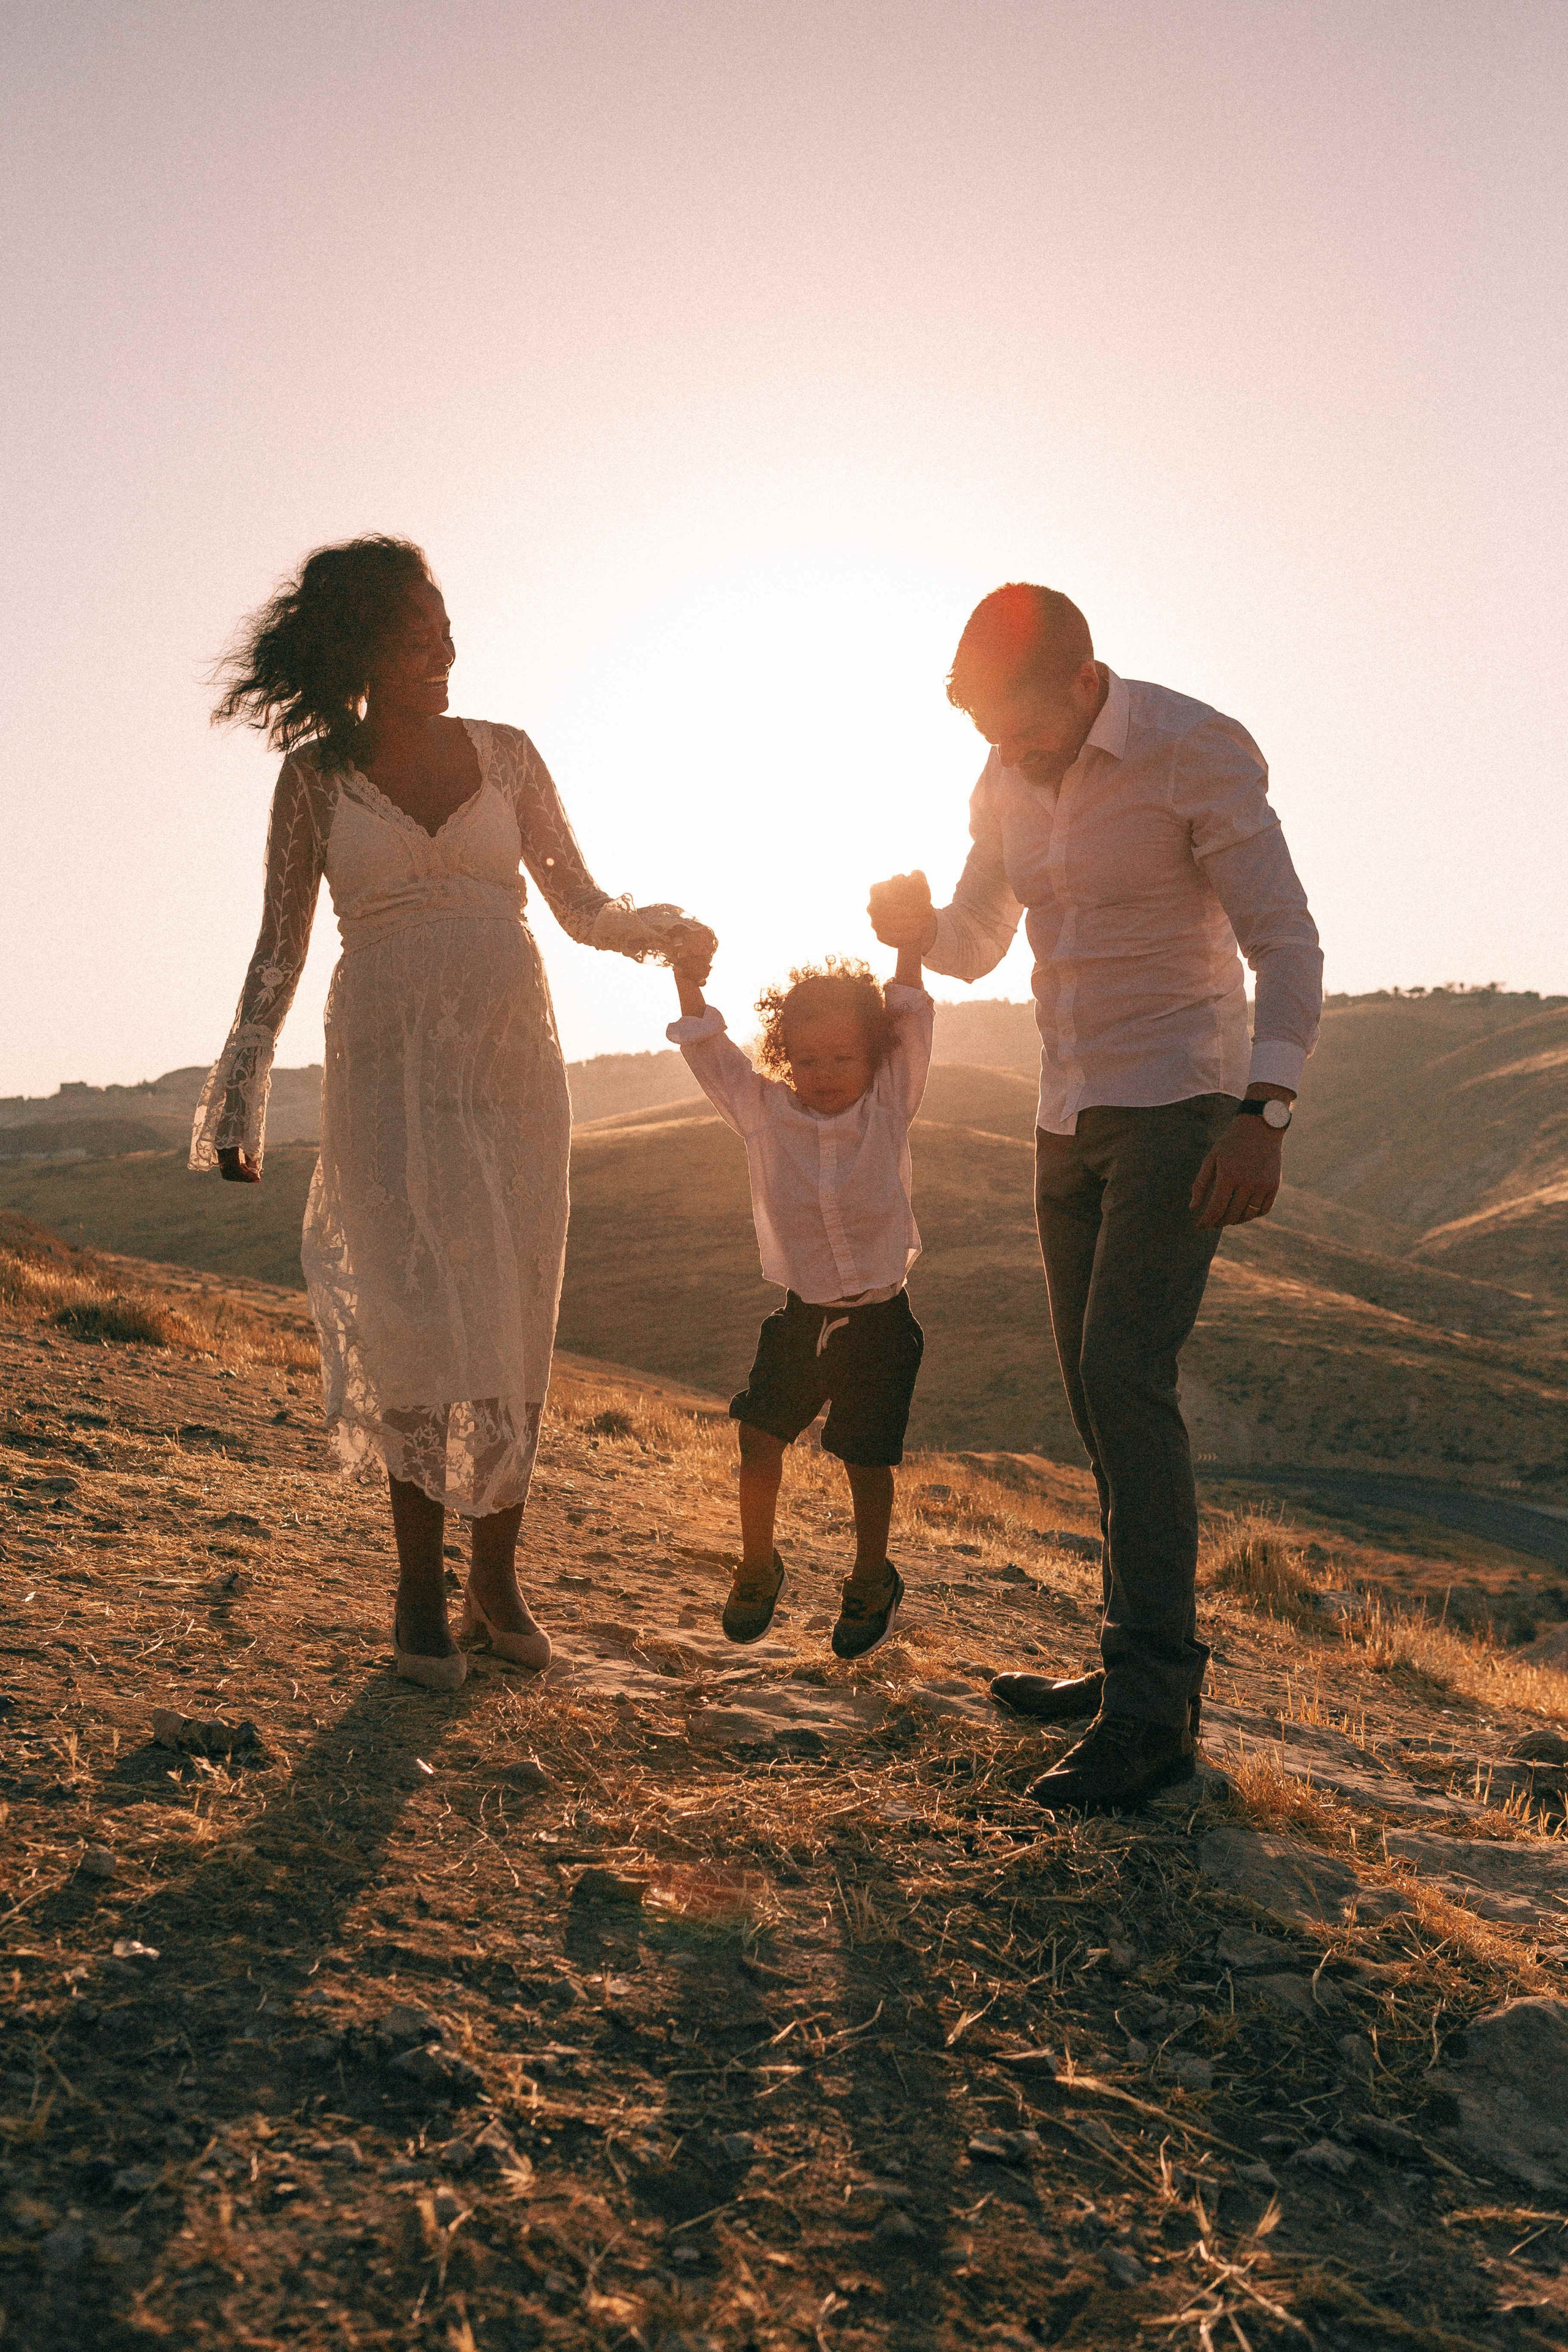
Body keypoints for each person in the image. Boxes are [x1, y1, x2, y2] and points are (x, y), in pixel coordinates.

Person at [194, 535, 714, 1690]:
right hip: (381, 1057)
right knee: (413, 1316)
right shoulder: (316, 779)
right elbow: (277, 949)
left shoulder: (510, 756)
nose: (447, 650)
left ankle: (499, 1581)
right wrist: (240, 1091)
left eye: (447, 629)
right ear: (363, 645)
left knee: (512, 1305)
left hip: (508, 1059)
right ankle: (418, 1594)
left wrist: (663, 931)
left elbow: (577, 903)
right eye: (420, 633)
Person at [869, 584, 1322, 1812]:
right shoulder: (1002, 778)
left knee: (1126, 1378)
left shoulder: (1192, 750)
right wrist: (914, 927)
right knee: (1091, 1393)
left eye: (1017, 724)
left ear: (1082, 683)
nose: (1002, 752)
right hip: (1060, 1115)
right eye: (983, 733)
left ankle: (1153, 1710)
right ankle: (1129, 1658)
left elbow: (1286, 943)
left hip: (1179, 1103)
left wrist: (1262, 1110)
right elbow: (977, 938)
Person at [666, 938, 933, 1657]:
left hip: (879, 1321)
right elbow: (711, 1057)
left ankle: (872, 1577)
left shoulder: (889, 1105)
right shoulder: (762, 1114)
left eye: (842, 1058)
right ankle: (757, 1565)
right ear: (785, 1055)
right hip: (801, 1317)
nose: (822, 1075)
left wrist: (909, 947)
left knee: (864, 1456)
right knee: (757, 1436)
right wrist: (688, 984)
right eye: (806, 1059)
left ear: (872, 1056)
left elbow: (910, 1020)